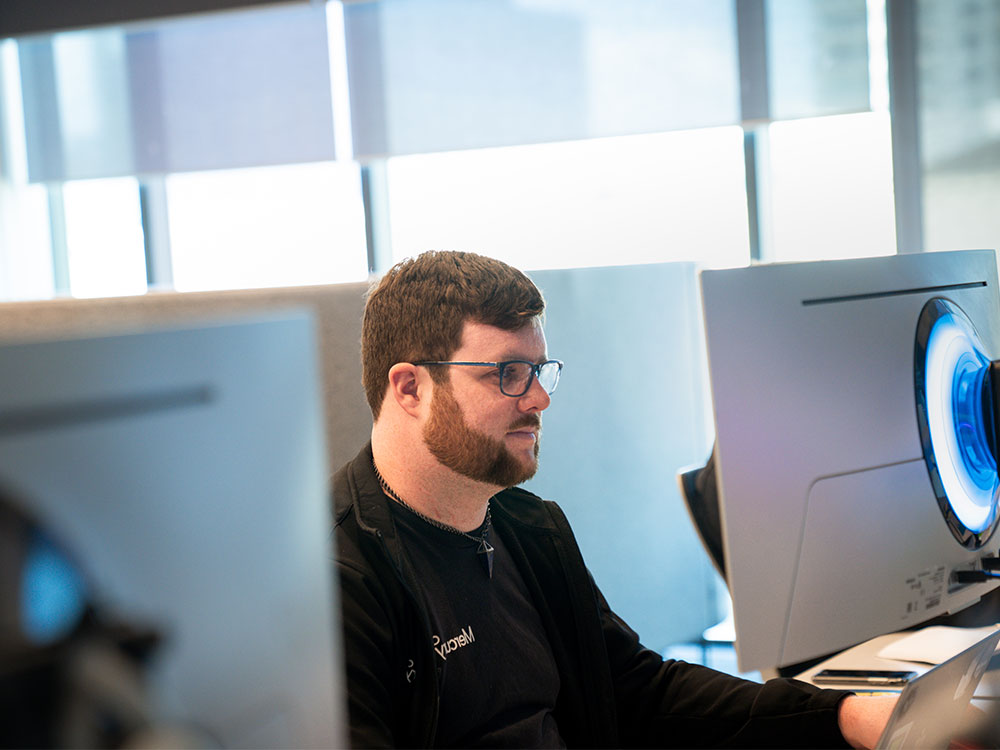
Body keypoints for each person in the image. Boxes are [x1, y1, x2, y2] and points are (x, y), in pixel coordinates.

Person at [333, 250, 895, 748]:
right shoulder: (335, 581)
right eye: (508, 373)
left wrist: (843, 716)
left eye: (539, 371)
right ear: (410, 388)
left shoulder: (530, 531)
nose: (538, 398)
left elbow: (641, 692)